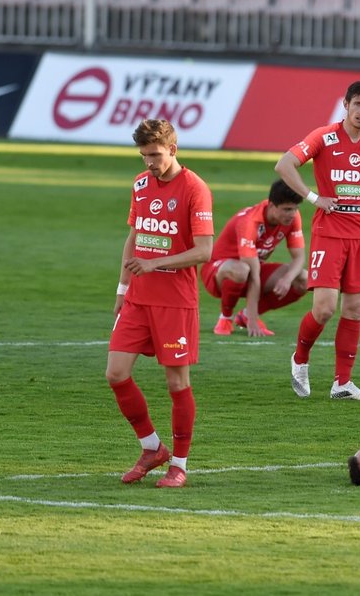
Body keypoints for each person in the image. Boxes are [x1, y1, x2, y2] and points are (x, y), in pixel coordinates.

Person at [275, 80, 360, 401]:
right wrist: (314, 197)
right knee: (324, 310)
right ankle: (300, 358)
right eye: (359, 105)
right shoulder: (323, 137)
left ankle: (342, 383)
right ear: (346, 104)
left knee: (354, 310)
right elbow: (284, 164)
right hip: (330, 235)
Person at [106, 119, 214, 488]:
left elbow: (204, 251)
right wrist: (122, 290)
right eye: (144, 155)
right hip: (137, 298)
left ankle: (179, 464)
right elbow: (133, 238)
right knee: (116, 373)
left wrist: (154, 263)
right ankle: (152, 447)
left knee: (176, 383)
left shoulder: (195, 189)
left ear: (173, 149)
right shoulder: (140, 184)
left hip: (175, 303)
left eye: (155, 154)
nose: (150, 162)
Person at [201, 179, 308, 337]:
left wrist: (287, 279)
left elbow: (299, 258)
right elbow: (253, 274)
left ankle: (245, 314)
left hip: (252, 270)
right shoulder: (249, 222)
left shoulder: (293, 217)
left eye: (294, 209)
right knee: (241, 270)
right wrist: (254, 321)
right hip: (218, 272)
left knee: (303, 279)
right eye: (287, 209)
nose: (292, 214)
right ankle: (225, 317)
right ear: (272, 206)